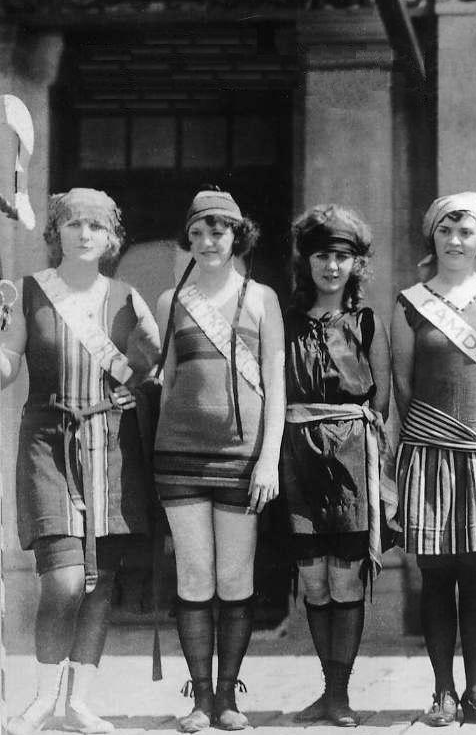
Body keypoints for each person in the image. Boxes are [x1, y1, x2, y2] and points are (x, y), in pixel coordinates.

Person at [0, 189, 160, 735]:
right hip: (49, 442)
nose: (84, 234)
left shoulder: (127, 297)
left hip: (111, 444)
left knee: (98, 581)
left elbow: (150, 371)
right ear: (56, 233)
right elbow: (5, 369)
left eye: (95, 226)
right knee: (64, 580)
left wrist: (148, 364)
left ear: (111, 237)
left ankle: (79, 704)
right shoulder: (27, 293)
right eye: (73, 224)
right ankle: (43, 700)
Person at [391, 192, 476, 727]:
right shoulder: (409, 301)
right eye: (446, 230)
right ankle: (442, 693)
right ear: (433, 237)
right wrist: (422, 440)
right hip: (429, 454)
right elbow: (403, 383)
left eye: (466, 231)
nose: (455, 240)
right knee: (435, 575)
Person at [153, 189, 285, 733]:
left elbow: (276, 384)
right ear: (189, 237)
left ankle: (229, 697)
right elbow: (165, 387)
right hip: (179, 455)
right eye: (200, 232)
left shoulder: (261, 298)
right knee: (194, 573)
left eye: (220, 232)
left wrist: (269, 458)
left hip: (243, 456)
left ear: (238, 237)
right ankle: (200, 700)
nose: (209, 243)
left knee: (233, 575)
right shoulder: (169, 301)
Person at [281, 205, 395, 726]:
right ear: (306, 261)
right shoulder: (284, 323)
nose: (331, 267)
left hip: (351, 457)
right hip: (298, 456)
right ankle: (325, 689)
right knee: (314, 582)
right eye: (322, 255)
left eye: (342, 257)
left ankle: (340, 694)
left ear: (356, 265)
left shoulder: (367, 324)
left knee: (346, 581)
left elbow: (383, 403)